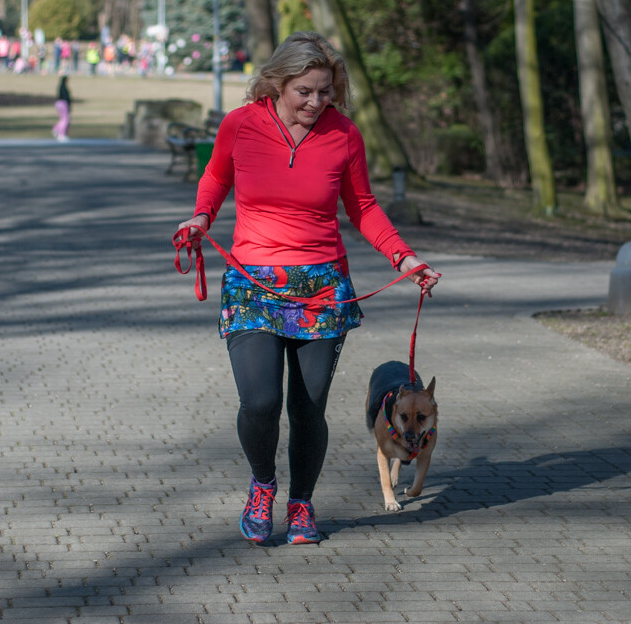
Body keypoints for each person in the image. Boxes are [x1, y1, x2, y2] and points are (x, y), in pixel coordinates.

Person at [175, 31, 440, 546]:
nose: (317, 102)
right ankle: (263, 486)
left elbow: (362, 206)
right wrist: (201, 215)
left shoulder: (343, 134)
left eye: (326, 91)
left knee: (307, 409)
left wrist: (403, 257)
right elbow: (215, 177)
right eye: (306, 91)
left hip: (321, 286)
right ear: (277, 83)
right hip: (253, 280)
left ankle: (301, 504)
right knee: (260, 402)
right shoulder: (241, 124)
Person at [53, 71, 71, 142]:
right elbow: (66, 97)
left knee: (63, 119)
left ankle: (56, 129)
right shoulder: (64, 87)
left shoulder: (60, 86)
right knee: (65, 119)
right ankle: (61, 135)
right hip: (63, 103)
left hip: (58, 103)